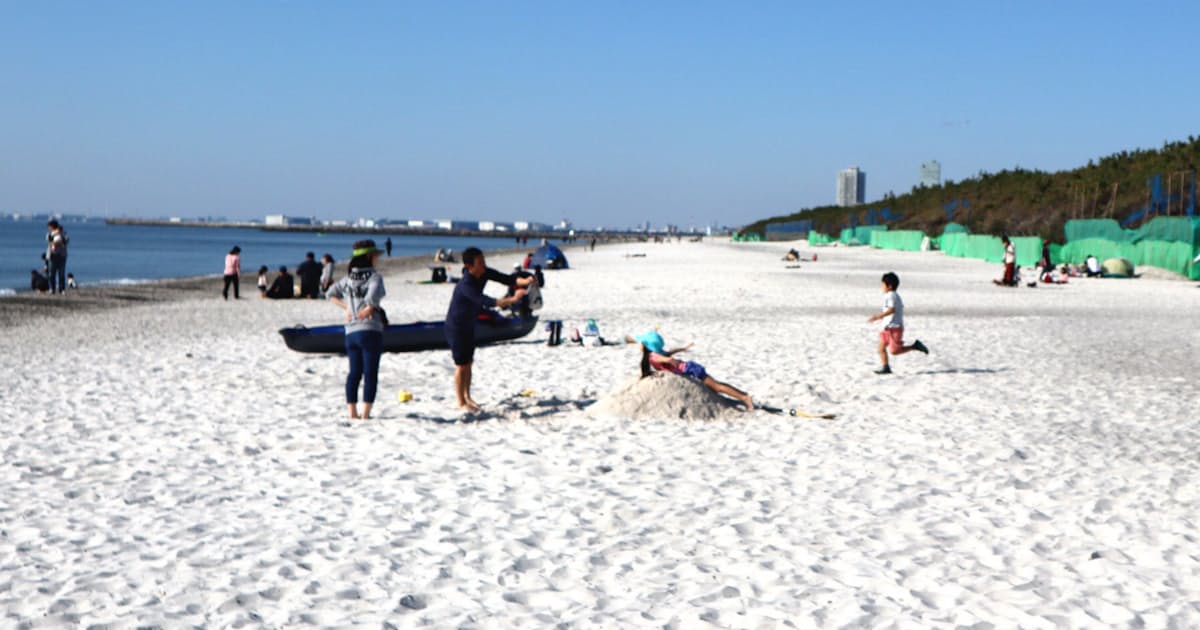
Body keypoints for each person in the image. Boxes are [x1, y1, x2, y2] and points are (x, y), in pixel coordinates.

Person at [444, 247, 529, 412]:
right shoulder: (466, 284)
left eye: (483, 261)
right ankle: (461, 401)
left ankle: (468, 397)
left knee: (469, 362)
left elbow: (507, 279)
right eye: (480, 262)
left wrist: (525, 282)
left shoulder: (484, 272)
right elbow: (487, 301)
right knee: (461, 365)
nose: (484, 265)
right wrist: (513, 299)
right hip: (457, 326)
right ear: (470, 266)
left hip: (469, 324)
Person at [327, 240, 388, 420]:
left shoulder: (347, 279)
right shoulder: (374, 277)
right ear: (369, 257)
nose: (377, 259)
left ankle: (352, 412)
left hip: (351, 332)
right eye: (376, 256)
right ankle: (365, 414)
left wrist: (346, 307)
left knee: (354, 373)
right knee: (370, 373)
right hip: (370, 330)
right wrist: (369, 307)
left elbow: (329, 293)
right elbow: (373, 296)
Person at [626, 329, 754, 411]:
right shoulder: (655, 354)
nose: (639, 345)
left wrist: (672, 362)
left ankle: (745, 397)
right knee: (714, 388)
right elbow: (668, 354)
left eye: (640, 343)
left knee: (717, 387)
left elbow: (667, 359)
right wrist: (682, 349)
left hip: (691, 369)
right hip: (688, 368)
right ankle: (741, 398)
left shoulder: (653, 356)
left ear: (645, 345)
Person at [868, 272, 929, 374]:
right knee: (881, 348)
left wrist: (878, 316)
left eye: (883, 285)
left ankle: (915, 346)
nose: (882, 287)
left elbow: (892, 309)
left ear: (889, 286)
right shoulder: (890, 295)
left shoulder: (891, 295)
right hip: (887, 328)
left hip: (895, 328)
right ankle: (886, 367)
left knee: (894, 351)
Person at [45, 220, 69, 294]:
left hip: (61, 255)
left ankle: (62, 289)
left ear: (52, 226)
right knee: (52, 273)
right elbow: (49, 241)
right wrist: (55, 235)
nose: (49, 228)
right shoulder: (49, 234)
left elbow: (66, 241)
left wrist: (60, 234)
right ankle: (52, 288)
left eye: (49, 226)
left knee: (61, 273)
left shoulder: (64, 233)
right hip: (52, 255)